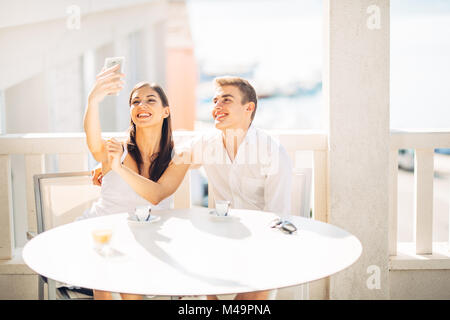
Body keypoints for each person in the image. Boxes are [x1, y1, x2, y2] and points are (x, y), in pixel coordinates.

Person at [103, 76, 292, 300]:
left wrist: (254, 254)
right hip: (220, 243)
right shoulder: (206, 144)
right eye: (214, 101)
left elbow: (277, 219)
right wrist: (110, 168)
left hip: (261, 247)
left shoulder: (271, 151)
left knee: (253, 291)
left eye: (226, 100)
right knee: (194, 280)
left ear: (248, 108)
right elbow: (167, 165)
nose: (217, 107)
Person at [83, 64, 190, 299]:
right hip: (105, 232)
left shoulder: (180, 155)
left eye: (150, 100)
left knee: (130, 281)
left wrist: (117, 169)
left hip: (149, 237)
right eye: (135, 102)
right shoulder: (116, 147)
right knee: (109, 270)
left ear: (165, 111)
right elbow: (93, 144)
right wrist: (93, 101)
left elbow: (157, 194)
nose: (141, 105)